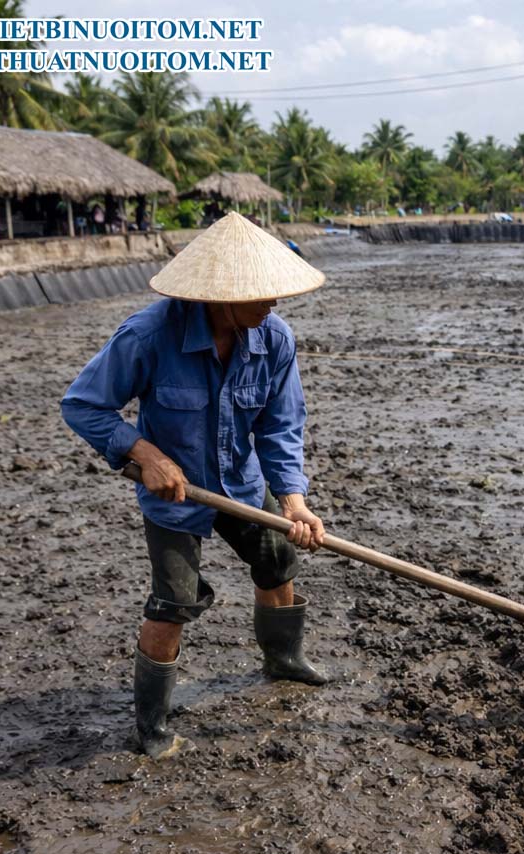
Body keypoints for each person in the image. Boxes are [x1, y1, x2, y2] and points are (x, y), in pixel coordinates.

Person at [61, 212, 329, 759]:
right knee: (174, 601)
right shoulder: (148, 335)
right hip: (176, 495)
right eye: (262, 294)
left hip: (243, 484)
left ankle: (283, 659)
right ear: (220, 297)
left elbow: (281, 426)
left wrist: (295, 502)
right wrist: (144, 452)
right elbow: (83, 405)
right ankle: (152, 725)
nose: (274, 302)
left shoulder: (274, 339)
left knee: (278, 560)